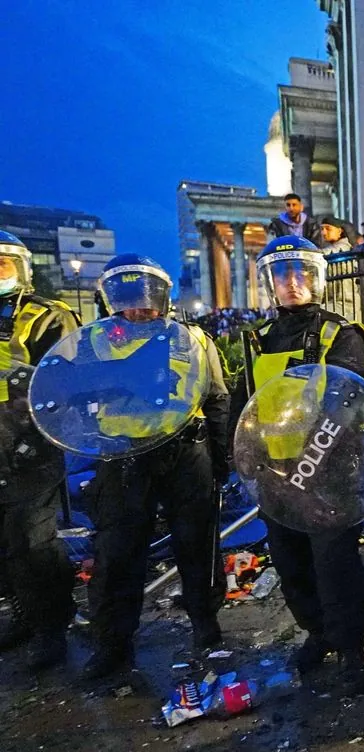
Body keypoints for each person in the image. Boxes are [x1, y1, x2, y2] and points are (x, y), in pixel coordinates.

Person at [236, 235, 364, 694]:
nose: (292, 283)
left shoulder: (342, 334)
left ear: (316, 279)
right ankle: (317, 632)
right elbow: (247, 411)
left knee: (335, 565)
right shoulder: (258, 339)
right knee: (291, 564)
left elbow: (347, 403)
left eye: (300, 274)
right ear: (270, 284)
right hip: (275, 474)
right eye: (282, 275)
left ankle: (352, 648)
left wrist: (312, 467)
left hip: (327, 472)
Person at [84, 255, 229, 679]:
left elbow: (215, 398)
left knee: (198, 545)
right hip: (124, 456)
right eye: (129, 299)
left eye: (147, 299)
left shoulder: (193, 339)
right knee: (118, 552)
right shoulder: (93, 343)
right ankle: (113, 644)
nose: (139, 309)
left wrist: (221, 460)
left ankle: (205, 625)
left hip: (187, 453)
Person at [0, 231, 79, 672]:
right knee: (5, 544)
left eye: (2, 265)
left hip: (29, 443)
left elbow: (63, 377)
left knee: (34, 542)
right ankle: (24, 616)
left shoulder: (47, 315)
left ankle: (52, 627)